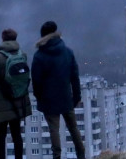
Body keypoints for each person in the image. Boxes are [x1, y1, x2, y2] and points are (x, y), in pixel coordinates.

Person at [31, 21, 86, 159]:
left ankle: (57, 156)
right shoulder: (68, 52)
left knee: (54, 130)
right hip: (66, 97)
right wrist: (77, 96)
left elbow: (36, 82)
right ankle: (81, 154)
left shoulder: (39, 56)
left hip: (48, 100)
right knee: (73, 128)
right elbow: (75, 76)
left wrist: (39, 98)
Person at [0, 28, 31, 159]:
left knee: (1, 135)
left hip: (0, 102)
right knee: (17, 134)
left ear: (2, 39)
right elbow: (9, 52)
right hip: (17, 100)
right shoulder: (22, 55)